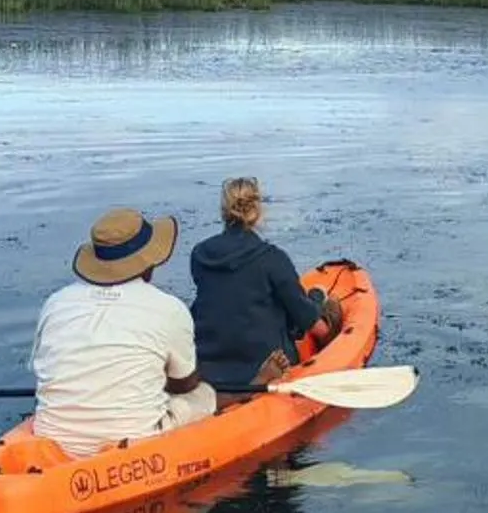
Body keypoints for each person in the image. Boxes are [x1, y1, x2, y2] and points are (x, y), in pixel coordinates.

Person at [30, 206, 213, 458]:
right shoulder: (168, 308)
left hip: (54, 437)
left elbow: (43, 371)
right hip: (135, 439)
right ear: (149, 263)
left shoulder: (56, 302)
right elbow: (184, 384)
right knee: (204, 395)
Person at [188, 177, 345, 395]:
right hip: (266, 367)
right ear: (258, 211)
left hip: (210, 372)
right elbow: (311, 324)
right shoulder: (272, 259)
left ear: (224, 211)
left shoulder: (200, 256)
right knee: (317, 313)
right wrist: (321, 305)